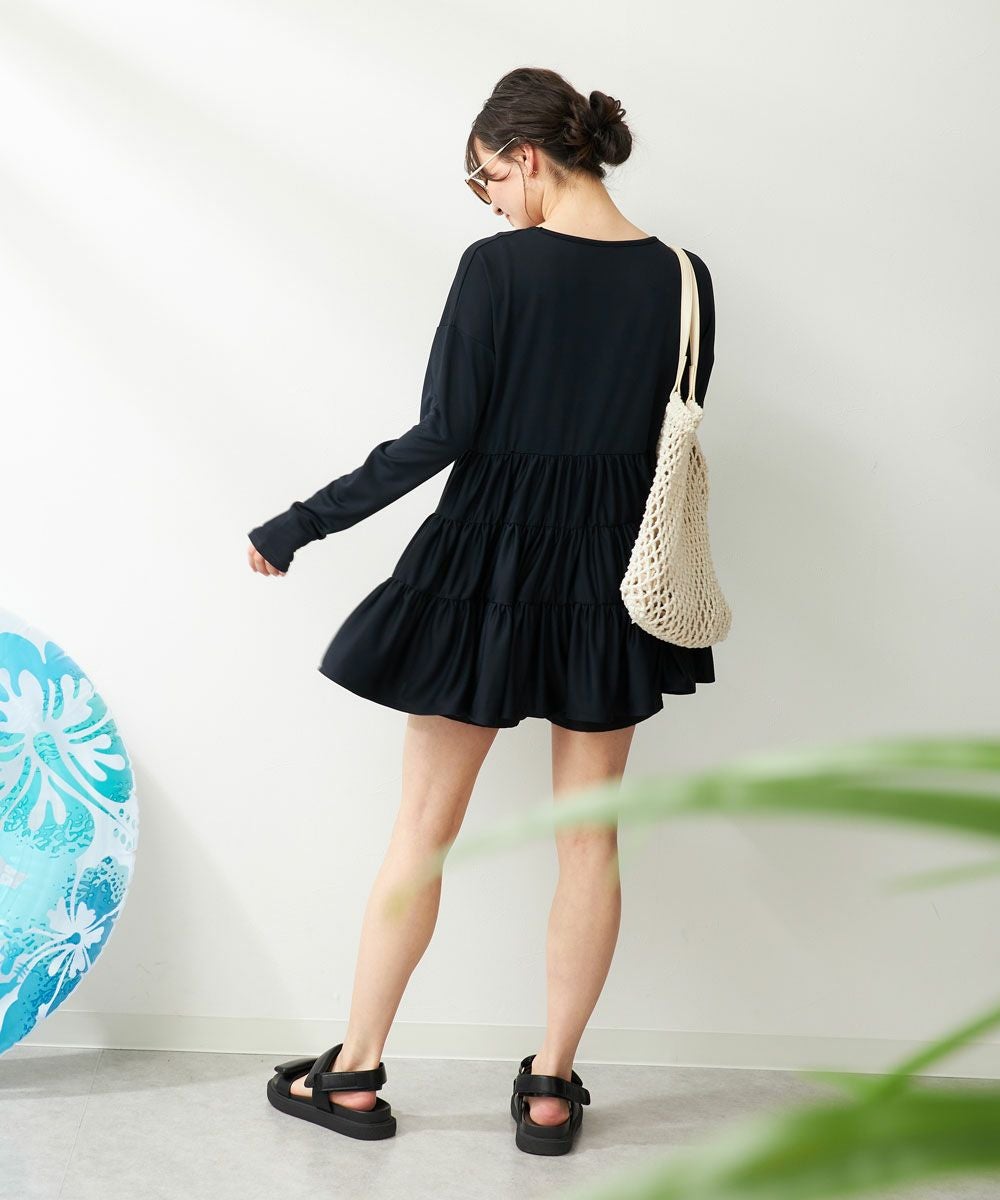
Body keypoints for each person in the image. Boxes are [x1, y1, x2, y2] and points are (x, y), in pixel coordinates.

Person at [250, 66, 717, 1154]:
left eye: (486, 180)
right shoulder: (685, 279)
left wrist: (301, 523)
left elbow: (442, 433)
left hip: (485, 570)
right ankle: (550, 1089)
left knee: (423, 827)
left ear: (526, 157)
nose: (490, 203)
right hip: (615, 578)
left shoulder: (497, 268)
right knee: (589, 839)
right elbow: (674, 426)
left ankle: (354, 1074)